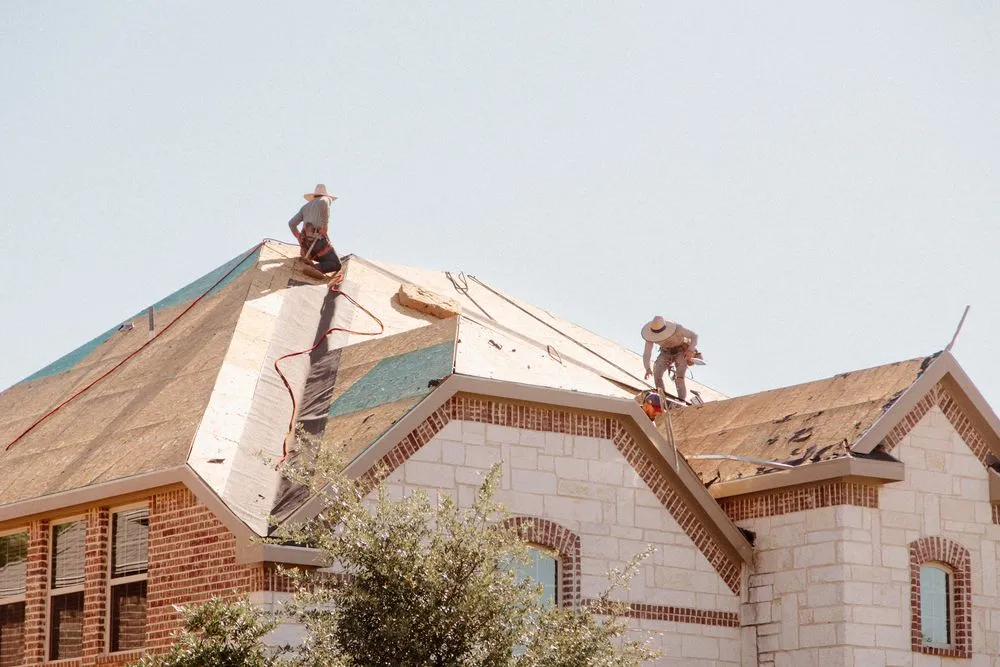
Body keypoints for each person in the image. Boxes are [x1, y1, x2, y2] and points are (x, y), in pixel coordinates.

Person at [288, 184, 342, 281]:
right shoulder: (325, 200)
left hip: (307, 245)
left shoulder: (305, 207)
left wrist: (300, 239)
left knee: (325, 258)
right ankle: (316, 268)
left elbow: (291, 224)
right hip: (318, 242)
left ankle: (311, 262)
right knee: (336, 264)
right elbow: (324, 202)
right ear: (325, 196)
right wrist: (325, 226)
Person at [640, 315, 699, 402]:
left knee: (680, 377)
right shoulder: (650, 336)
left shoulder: (678, 329)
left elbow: (694, 336)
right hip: (665, 353)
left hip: (680, 351)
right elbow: (647, 353)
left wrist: (690, 350)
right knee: (657, 373)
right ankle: (662, 398)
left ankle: (681, 400)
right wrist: (647, 368)